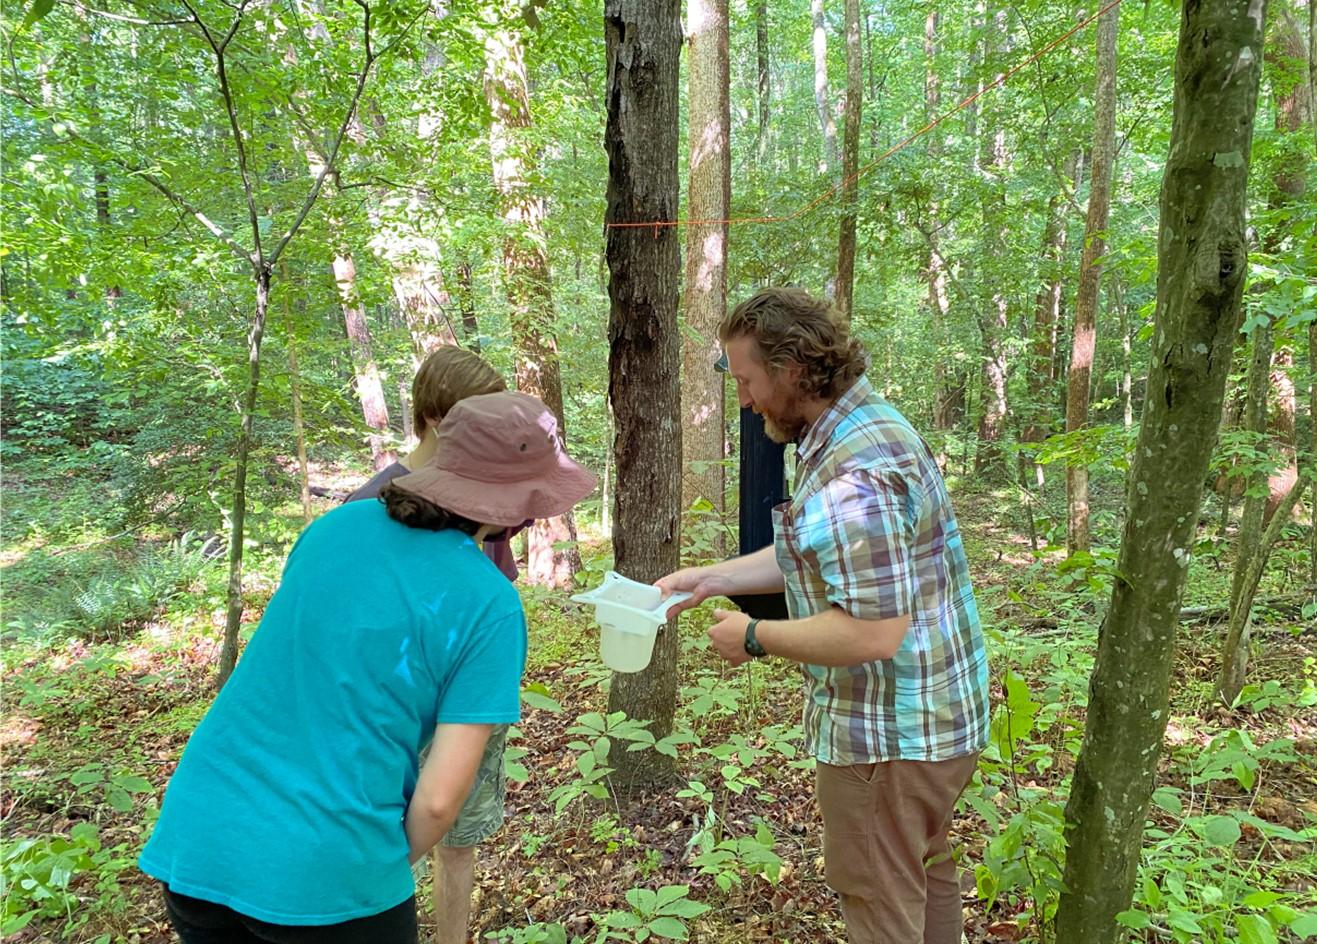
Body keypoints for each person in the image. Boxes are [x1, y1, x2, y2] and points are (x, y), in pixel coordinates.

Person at [139, 391, 596, 944]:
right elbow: (439, 800)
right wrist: (364, 868)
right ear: (518, 505)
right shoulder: (489, 602)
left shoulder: (337, 526)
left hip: (199, 835)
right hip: (329, 864)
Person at [658, 287, 989, 944]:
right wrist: (711, 578)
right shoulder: (858, 428)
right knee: (923, 872)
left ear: (788, 370)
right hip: (934, 718)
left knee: (878, 896)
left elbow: (871, 631)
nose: (745, 400)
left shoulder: (853, 470)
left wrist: (754, 636)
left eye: (747, 380)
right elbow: (810, 553)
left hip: (889, 737)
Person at [344, 347, 523, 944]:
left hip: (470, 695)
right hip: (400, 707)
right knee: (399, 827)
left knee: (458, 836)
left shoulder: (486, 501)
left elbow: (501, 565)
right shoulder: (367, 508)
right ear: (441, 421)